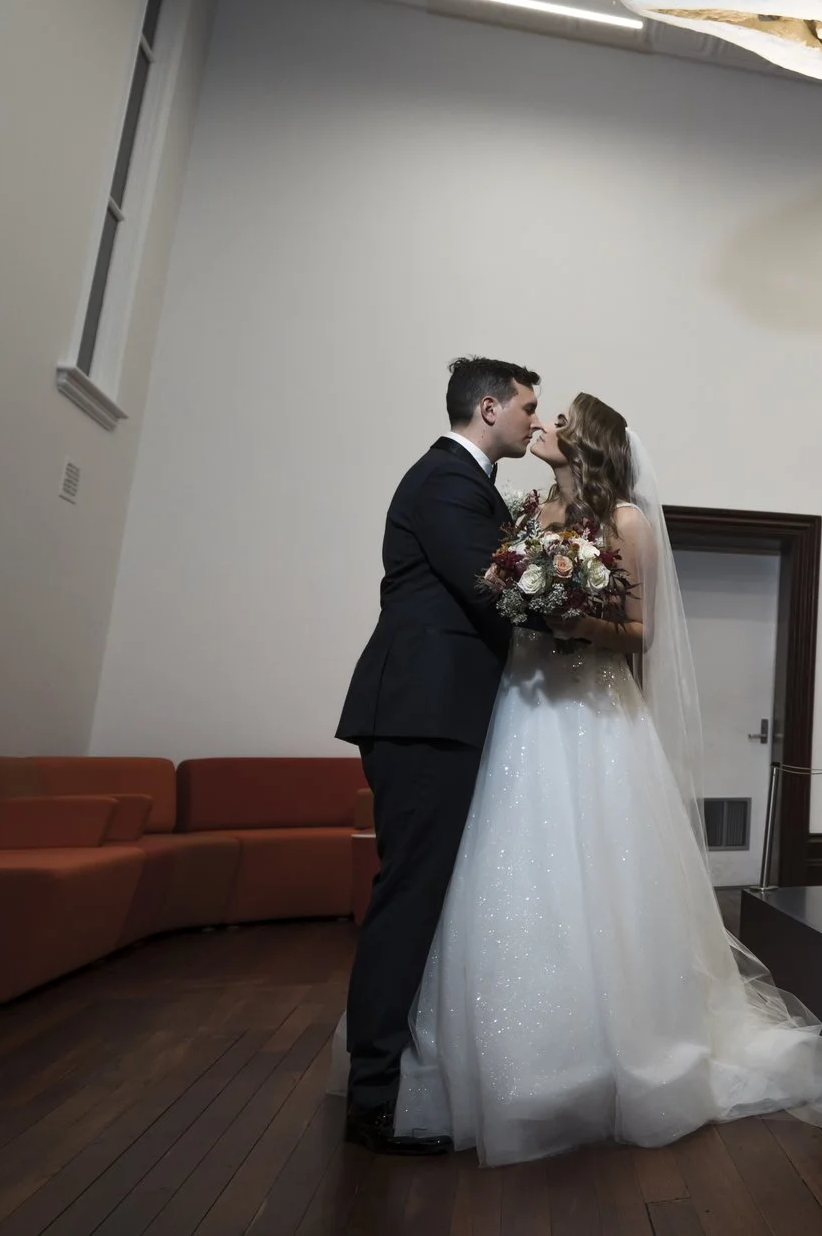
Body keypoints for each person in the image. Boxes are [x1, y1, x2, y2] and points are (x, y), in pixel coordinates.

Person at [386, 392, 822, 1164]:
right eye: (543, 415)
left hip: (596, 709)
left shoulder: (627, 522)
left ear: (590, 444)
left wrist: (574, 619)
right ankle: (517, 1056)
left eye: (560, 422)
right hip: (524, 707)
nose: (545, 426)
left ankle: (628, 1048)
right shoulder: (530, 513)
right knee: (520, 868)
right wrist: (529, 599)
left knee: (606, 874)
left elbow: (640, 633)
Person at [336, 355, 539, 1155]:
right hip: (422, 712)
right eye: (526, 406)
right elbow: (493, 588)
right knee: (409, 898)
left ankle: (401, 1073)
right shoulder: (448, 479)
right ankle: (373, 1097)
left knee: (423, 894)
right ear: (488, 407)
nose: (533, 419)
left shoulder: (464, 480)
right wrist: (575, 605)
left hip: (436, 710)